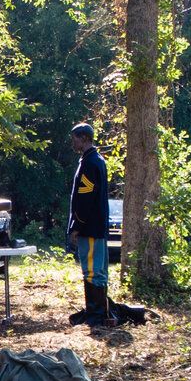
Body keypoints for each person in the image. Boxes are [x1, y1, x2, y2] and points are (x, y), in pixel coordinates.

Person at [68, 122, 114, 327]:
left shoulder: (90, 163)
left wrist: (77, 224)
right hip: (96, 226)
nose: (73, 142)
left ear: (84, 138)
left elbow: (85, 199)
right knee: (97, 269)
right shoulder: (94, 160)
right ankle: (97, 311)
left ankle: (96, 315)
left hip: (90, 227)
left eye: (75, 138)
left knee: (93, 270)